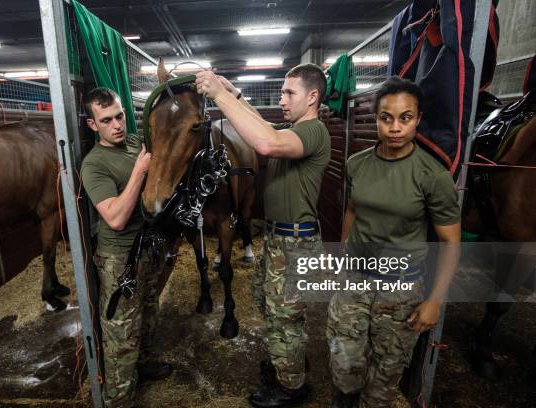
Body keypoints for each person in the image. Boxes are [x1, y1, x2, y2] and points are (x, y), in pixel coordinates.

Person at [196, 64, 331, 407]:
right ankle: (290, 362)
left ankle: (291, 389)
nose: (282, 99)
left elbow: (266, 143)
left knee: (285, 316)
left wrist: (219, 97)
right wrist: (235, 94)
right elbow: (265, 127)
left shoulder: (314, 131)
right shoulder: (293, 129)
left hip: (295, 243)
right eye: (283, 93)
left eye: (290, 93)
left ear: (312, 96)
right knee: (270, 306)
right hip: (277, 239)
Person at [326, 76, 461, 408]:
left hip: (399, 288)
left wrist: (434, 302)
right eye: (386, 118)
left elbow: (451, 243)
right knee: (344, 359)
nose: (395, 127)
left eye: (406, 117)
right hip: (354, 279)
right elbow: (353, 209)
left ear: (418, 119)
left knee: (385, 374)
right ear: (376, 119)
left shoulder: (433, 176)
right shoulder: (356, 163)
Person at [80, 87, 173, 408]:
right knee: (121, 334)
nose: (117, 125)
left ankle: (144, 366)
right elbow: (116, 218)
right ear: (93, 125)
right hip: (118, 257)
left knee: (149, 314)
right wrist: (139, 171)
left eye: (120, 116)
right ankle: (118, 399)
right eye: (106, 120)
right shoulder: (94, 165)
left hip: (148, 249)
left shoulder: (135, 142)